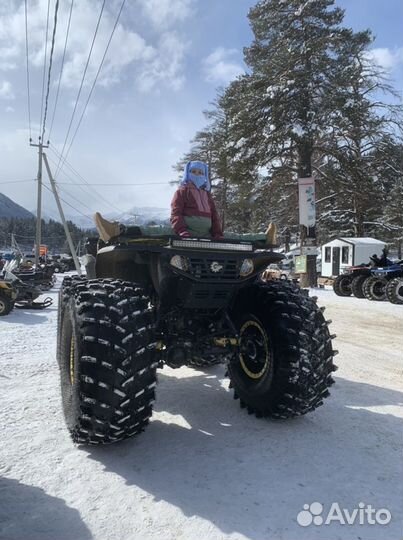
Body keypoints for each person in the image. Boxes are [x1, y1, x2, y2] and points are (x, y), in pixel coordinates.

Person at [171, 160, 223, 239]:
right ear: (187, 174)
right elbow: (176, 213)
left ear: (205, 176)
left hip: (206, 236)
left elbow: (214, 216)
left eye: (201, 173)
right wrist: (181, 231)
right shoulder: (182, 192)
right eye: (194, 171)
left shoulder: (207, 195)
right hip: (187, 236)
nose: (197, 175)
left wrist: (217, 233)